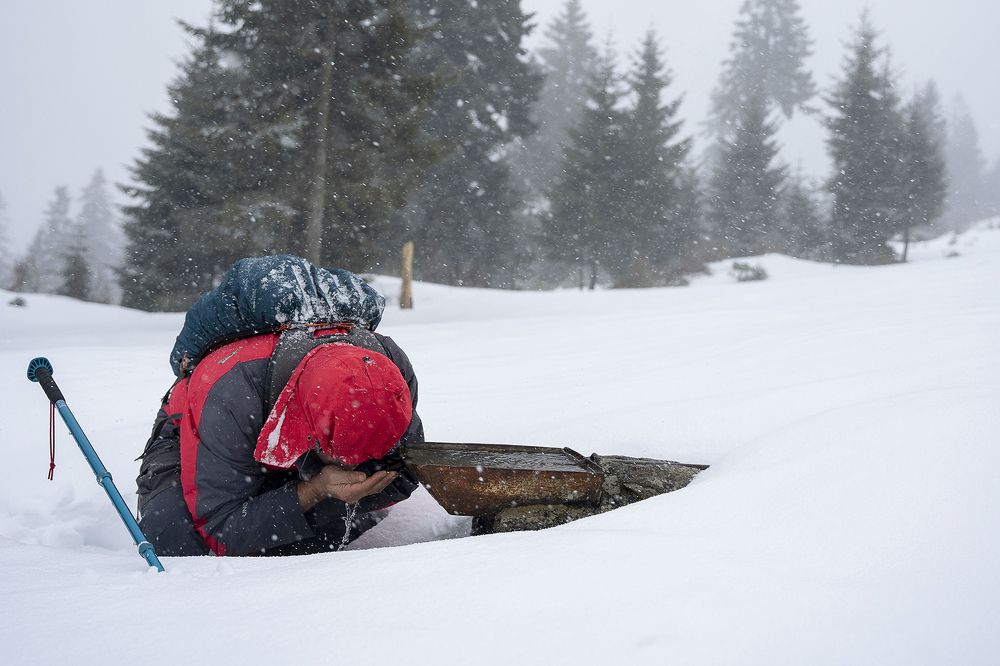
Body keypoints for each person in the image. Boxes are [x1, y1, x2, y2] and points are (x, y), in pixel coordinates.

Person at [135, 256, 423, 556]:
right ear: (306, 423)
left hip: (285, 423)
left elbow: (405, 475)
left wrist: (353, 490)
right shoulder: (230, 390)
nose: (351, 466)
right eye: (340, 455)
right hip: (204, 427)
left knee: (328, 530)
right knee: (177, 541)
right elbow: (220, 529)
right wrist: (314, 491)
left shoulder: (391, 374)